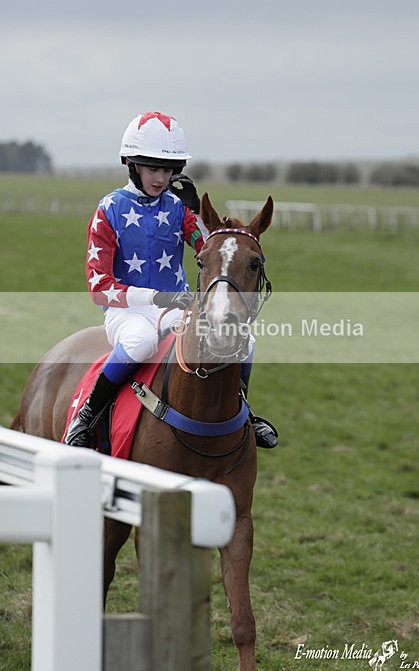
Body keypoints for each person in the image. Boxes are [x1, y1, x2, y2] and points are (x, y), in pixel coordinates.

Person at [64, 111, 278, 449]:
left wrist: (196, 215)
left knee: (243, 340)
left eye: (167, 170)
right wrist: (155, 299)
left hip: (179, 307)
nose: (161, 178)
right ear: (132, 166)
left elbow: (212, 253)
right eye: (153, 169)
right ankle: (86, 416)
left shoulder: (177, 208)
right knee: (141, 343)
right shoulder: (109, 210)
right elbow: (99, 288)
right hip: (128, 312)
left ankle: (244, 412)